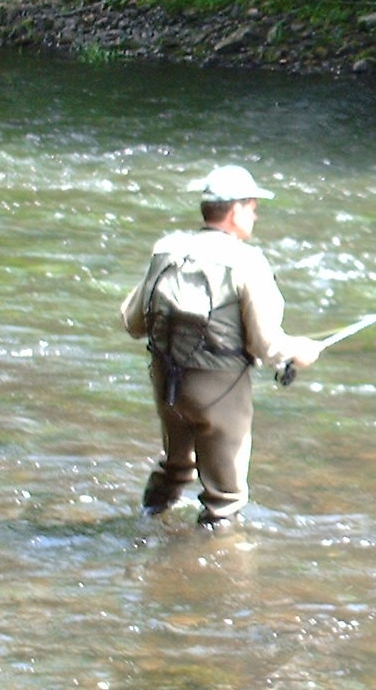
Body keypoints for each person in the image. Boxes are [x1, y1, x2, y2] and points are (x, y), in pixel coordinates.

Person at [119, 165, 324, 529]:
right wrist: (300, 351)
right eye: (253, 207)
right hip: (220, 389)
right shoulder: (248, 262)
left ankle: (145, 527)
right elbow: (265, 344)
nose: (256, 215)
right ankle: (214, 572)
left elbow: (132, 321)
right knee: (225, 498)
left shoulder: (166, 249)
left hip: (167, 383)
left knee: (176, 467)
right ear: (235, 211)